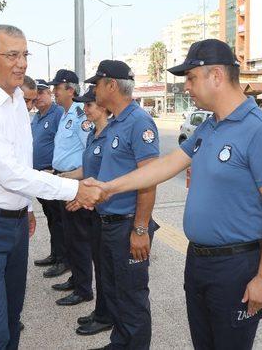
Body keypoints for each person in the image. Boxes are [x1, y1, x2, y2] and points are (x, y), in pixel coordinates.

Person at [75, 43, 262, 350]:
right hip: (199, 260)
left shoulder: (261, 130)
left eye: (190, 78)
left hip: (235, 266)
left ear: (216, 75)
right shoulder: (209, 126)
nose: (186, 86)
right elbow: (165, 166)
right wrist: (109, 187)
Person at [0, 24, 102, 350]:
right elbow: (10, 172)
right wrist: (75, 189)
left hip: (14, 224)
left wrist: (27, 208)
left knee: (11, 320)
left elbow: (21, 159)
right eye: (12, 55)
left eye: (24, 55)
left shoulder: (18, 99)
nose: (21, 63)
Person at [70, 60, 161, 349]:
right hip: (107, 221)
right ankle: (120, 341)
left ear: (111, 85)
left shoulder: (139, 122)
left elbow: (149, 180)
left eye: (96, 84)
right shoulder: (116, 123)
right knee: (115, 289)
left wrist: (140, 229)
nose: (93, 90)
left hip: (127, 224)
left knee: (132, 295)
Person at [59, 86, 113, 336]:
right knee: (99, 262)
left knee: (106, 269)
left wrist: (82, 198)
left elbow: (109, 175)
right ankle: (102, 312)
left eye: (88, 105)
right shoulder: (93, 133)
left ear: (102, 106)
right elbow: (86, 169)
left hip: (103, 207)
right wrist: (64, 179)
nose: (84, 110)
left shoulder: (112, 134)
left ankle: (106, 315)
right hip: (94, 207)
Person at [46, 68, 93, 304]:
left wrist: (78, 180)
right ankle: (76, 278)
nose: (54, 92)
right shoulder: (65, 114)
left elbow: (90, 151)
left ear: (70, 89)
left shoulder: (80, 115)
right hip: (63, 180)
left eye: (57, 88)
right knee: (69, 235)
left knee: (79, 237)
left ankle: (84, 289)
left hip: (75, 183)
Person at [30, 79, 66, 270]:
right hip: (40, 178)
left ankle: (64, 259)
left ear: (50, 94)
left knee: (60, 219)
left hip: (53, 176)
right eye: (36, 93)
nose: (37, 97)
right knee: (52, 218)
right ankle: (56, 254)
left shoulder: (58, 113)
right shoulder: (36, 117)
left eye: (42, 92)